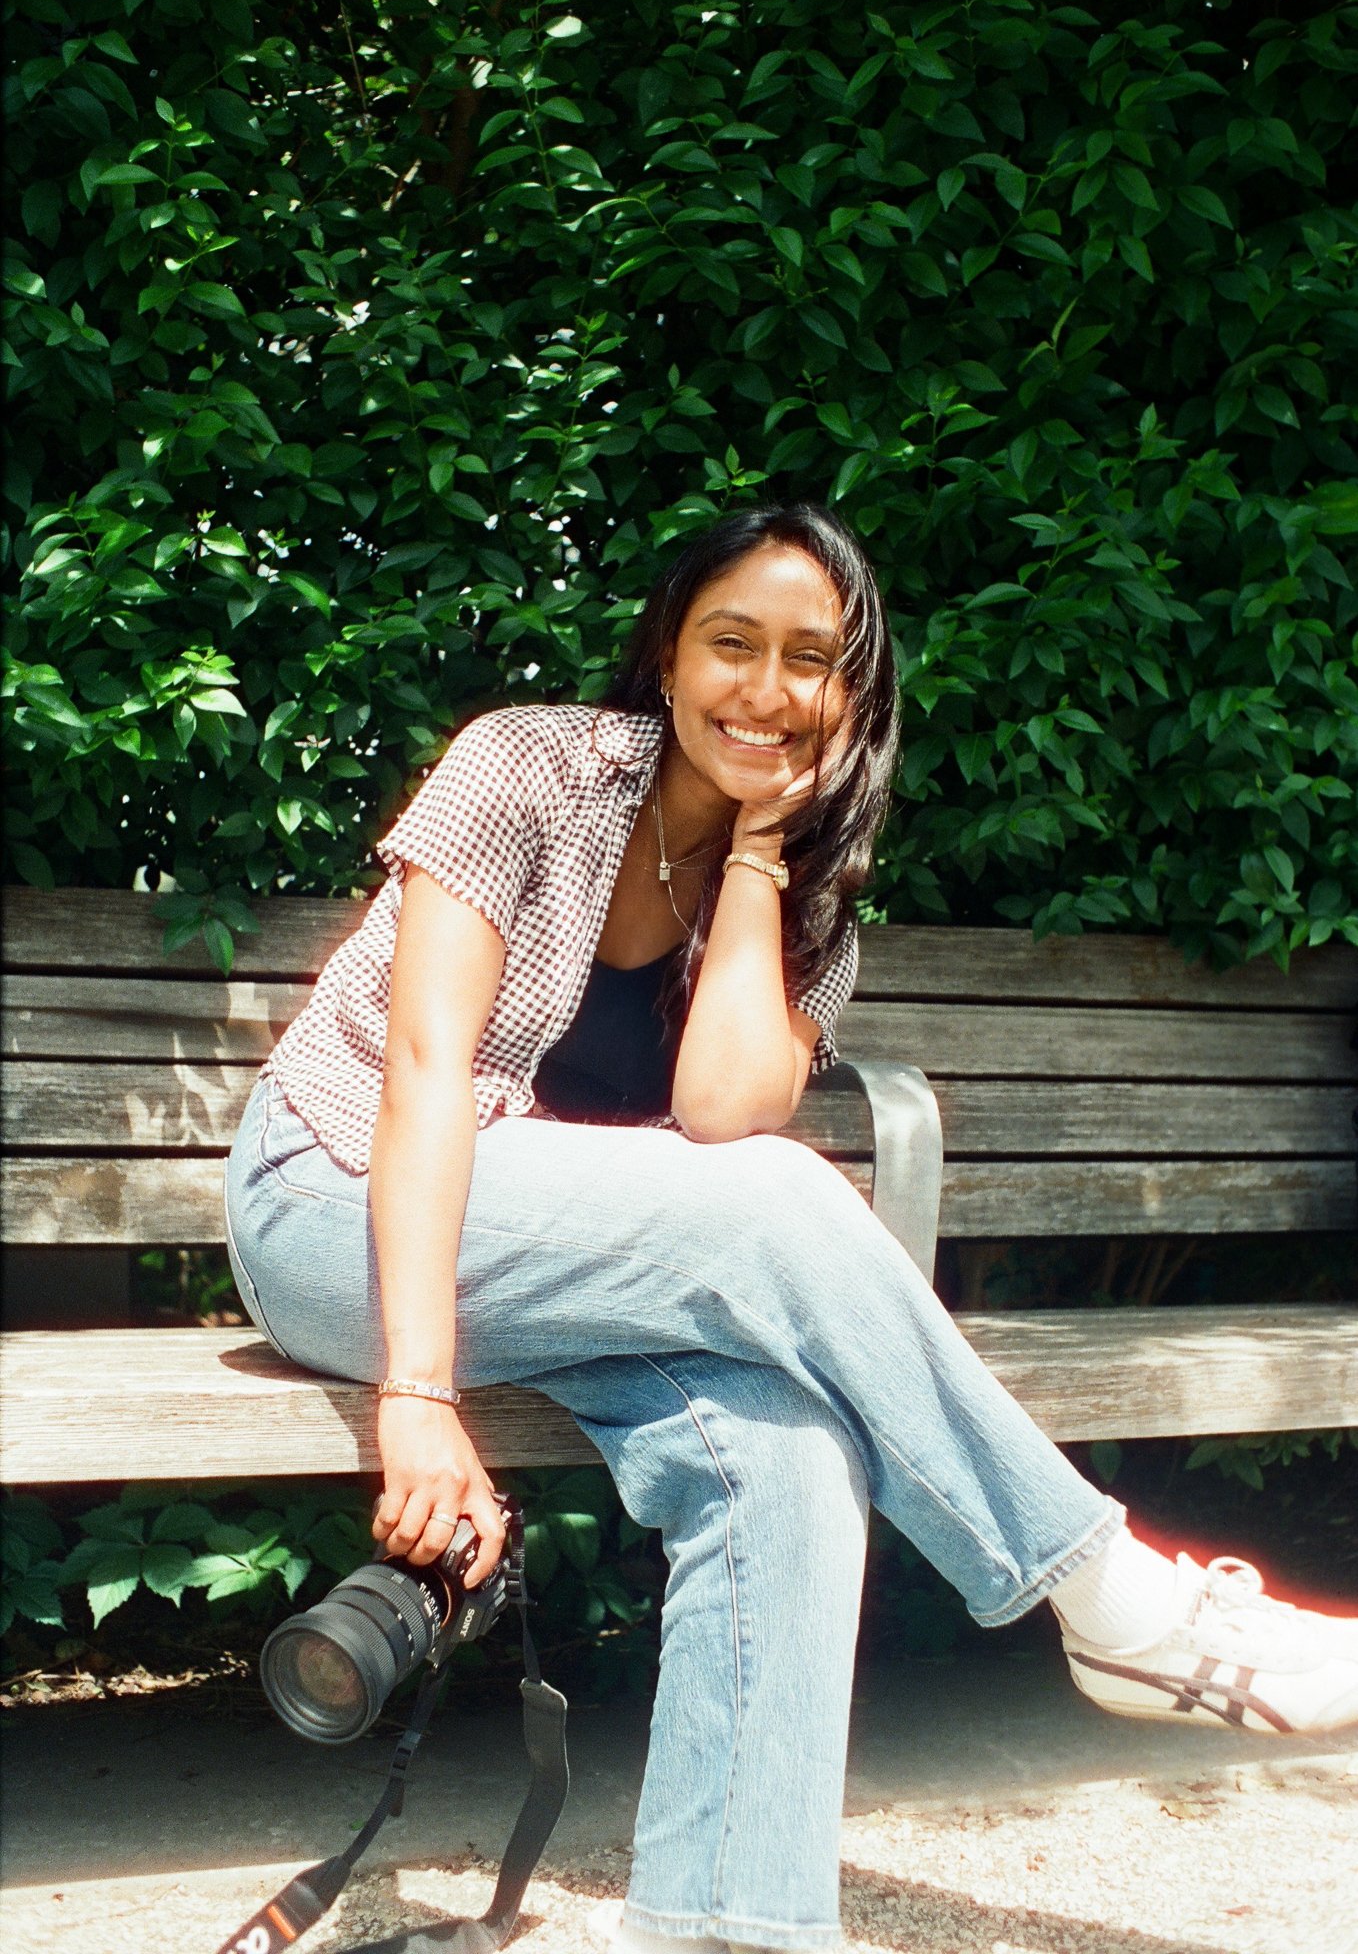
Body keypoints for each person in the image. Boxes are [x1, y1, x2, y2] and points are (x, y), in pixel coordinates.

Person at [225, 503, 1358, 1954]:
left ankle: (723, 1926)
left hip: (572, 1274)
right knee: (779, 1200)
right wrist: (418, 1394)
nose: (765, 690)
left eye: (811, 659)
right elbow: (427, 1071)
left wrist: (757, 853)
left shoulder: (812, 906)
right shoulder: (526, 766)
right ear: (667, 653)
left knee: (789, 1444)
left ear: (851, 694)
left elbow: (718, 1115)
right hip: (333, 1209)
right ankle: (1113, 1599)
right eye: (732, 644)